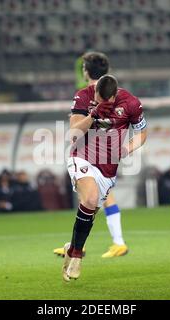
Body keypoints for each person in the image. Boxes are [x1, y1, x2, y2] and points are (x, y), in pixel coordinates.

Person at [62, 74, 147, 281]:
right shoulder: (84, 96)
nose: (102, 103)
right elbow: (72, 133)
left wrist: (128, 148)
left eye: (105, 102)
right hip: (81, 157)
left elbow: (142, 133)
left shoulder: (131, 103)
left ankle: (72, 247)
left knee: (91, 212)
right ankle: (76, 256)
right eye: (98, 99)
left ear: (114, 96)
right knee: (89, 199)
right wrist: (92, 115)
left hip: (108, 169)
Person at [54, 51, 129, 259]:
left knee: (89, 198)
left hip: (90, 152)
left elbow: (75, 131)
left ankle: (87, 245)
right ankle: (111, 242)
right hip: (111, 152)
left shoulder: (84, 93)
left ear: (85, 71)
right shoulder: (117, 93)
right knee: (99, 198)